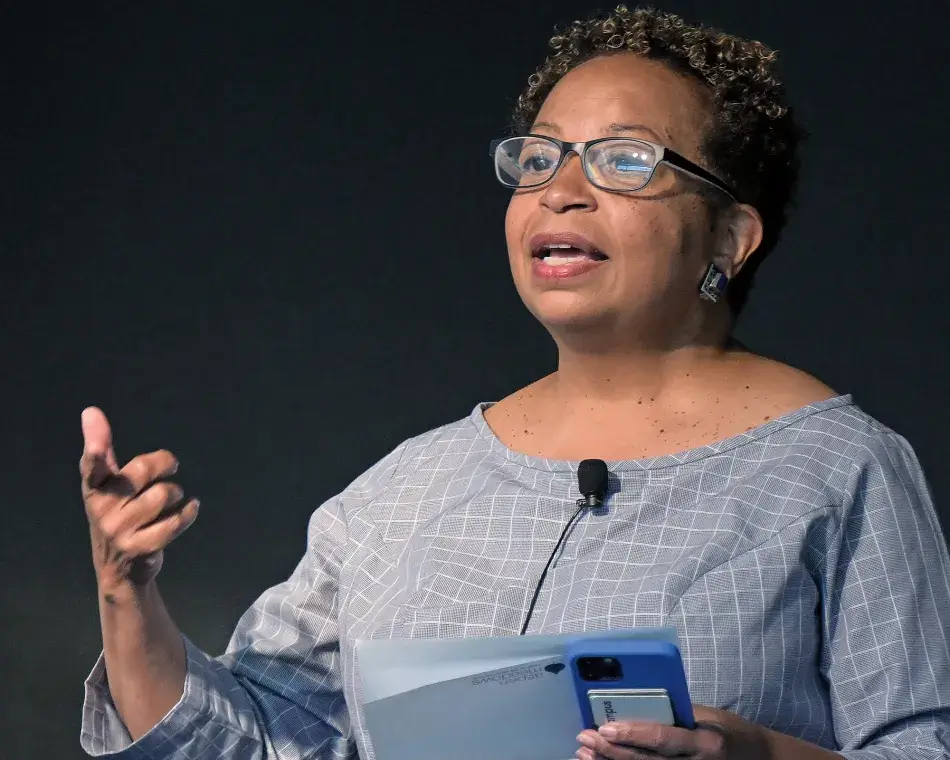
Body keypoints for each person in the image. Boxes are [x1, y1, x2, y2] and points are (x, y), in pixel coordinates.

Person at [79, 5, 950, 760]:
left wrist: (758, 754)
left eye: (623, 161)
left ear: (729, 238)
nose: (561, 192)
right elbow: (260, 743)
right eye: (538, 159)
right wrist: (128, 596)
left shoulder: (839, 470)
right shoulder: (403, 494)